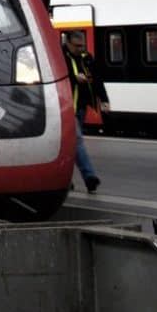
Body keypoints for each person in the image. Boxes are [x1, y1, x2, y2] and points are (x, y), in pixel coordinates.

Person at [61, 32, 104, 193]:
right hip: (66, 107)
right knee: (77, 141)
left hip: (80, 107)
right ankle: (90, 177)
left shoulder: (86, 57)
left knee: (69, 145)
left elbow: (97, 78)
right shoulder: (60, 57)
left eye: (83, 45)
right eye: (77, 46)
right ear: (69, 44)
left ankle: (64, 179)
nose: (81, 49)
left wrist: (103, 99)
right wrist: (74, 78)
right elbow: (58, 78)